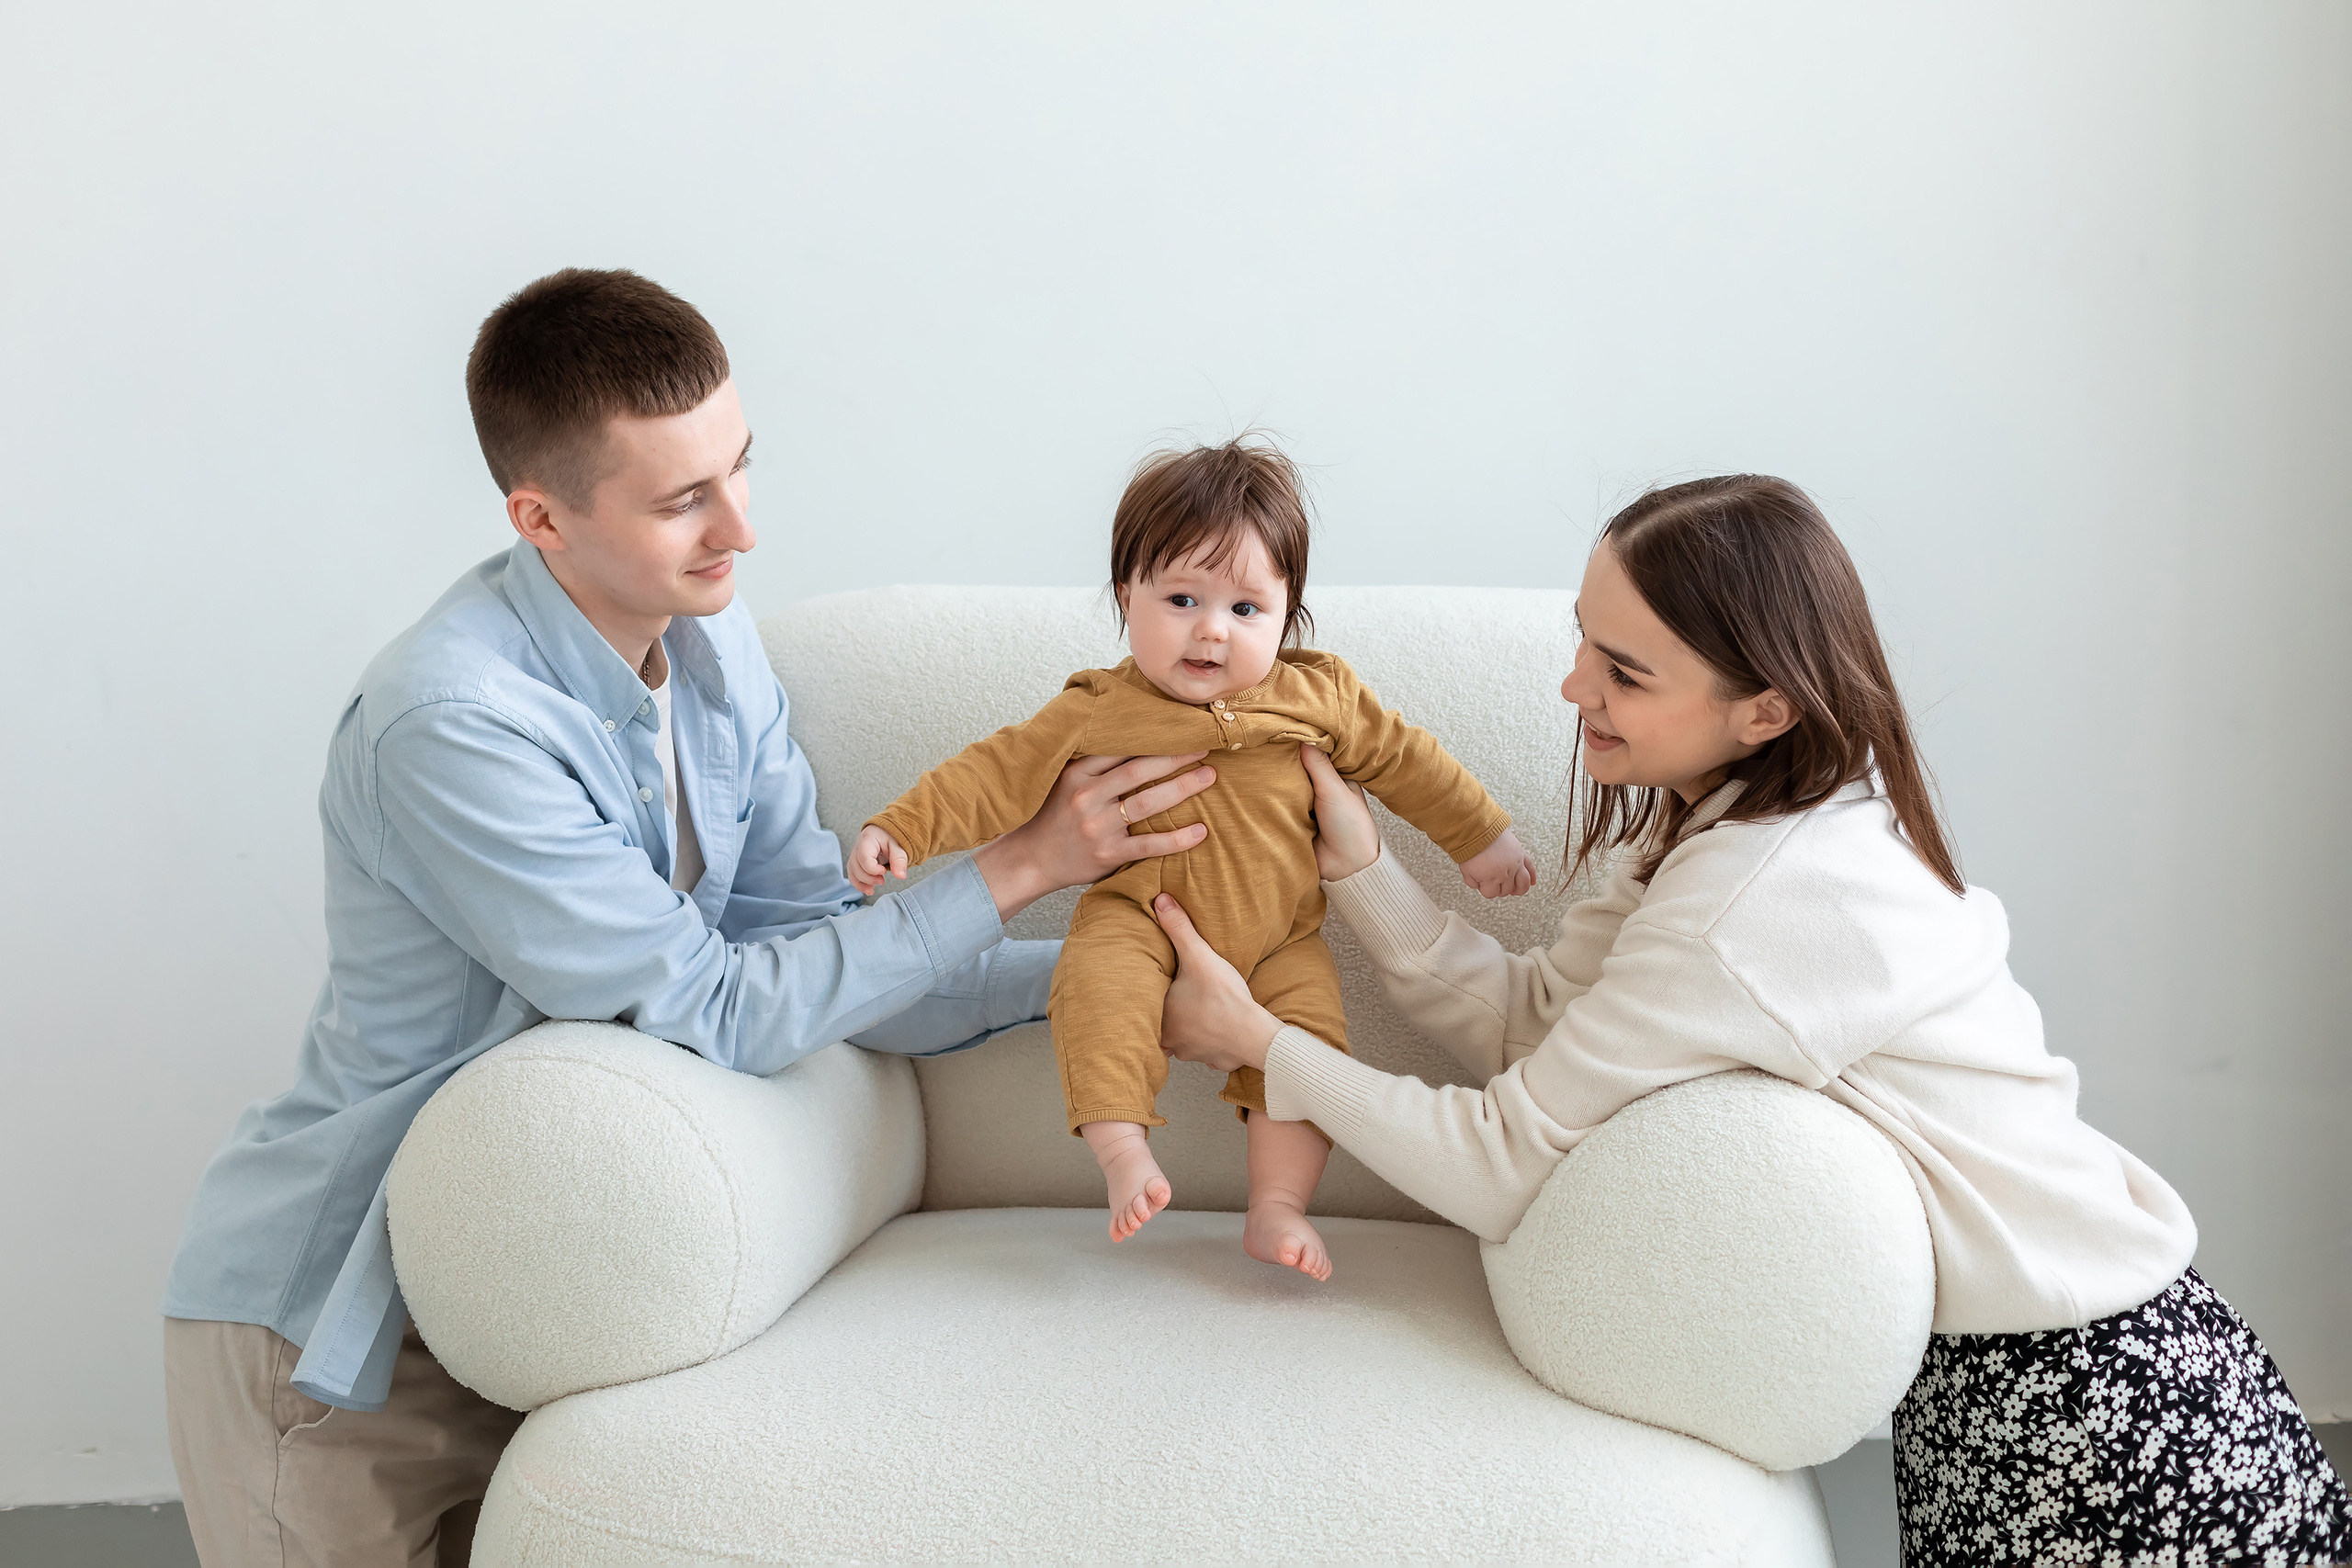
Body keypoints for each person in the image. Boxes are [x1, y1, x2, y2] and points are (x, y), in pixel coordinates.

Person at [157, 267, 1218, 1568]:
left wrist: (1110, 979)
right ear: (539, 516)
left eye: (739, 470)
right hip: (346, 1341)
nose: (740, 529)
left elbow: (822, 953)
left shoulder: (715, 650)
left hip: (559, 1289)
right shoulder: (454, 723)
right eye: (681, 500)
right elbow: (720, 1006)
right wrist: (1022, 860)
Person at [1153, 474, 2352, 1566]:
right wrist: (1361, 868)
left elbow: (1503, 1161)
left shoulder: (1759, 899)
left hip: (2091, 1401)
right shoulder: (1711, 825)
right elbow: (1537, 1031)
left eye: (1625, 669)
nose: (1575, 685)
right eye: (1584, 638)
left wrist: (1263, 1045)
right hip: (2055, 1367)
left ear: (1766, 708)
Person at [851, 439, 1535, 1280]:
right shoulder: (1097, 708)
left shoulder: (1316, 696)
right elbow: (994, 773)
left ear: (1290, 613)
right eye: (1182, 598)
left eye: (1246, 608)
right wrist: (905, 828)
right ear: (1125, 597)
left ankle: (1277, 1205)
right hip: (1136, 918)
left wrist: (1482, 836)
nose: (1212, 629)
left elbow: (1407, 760)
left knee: (1310, 1049)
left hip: (1283, 937)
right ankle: (1123, 1153)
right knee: (1094, 988)